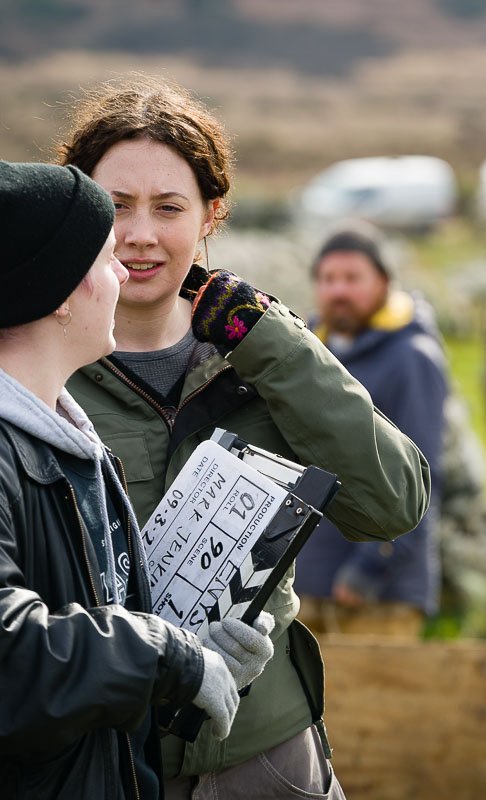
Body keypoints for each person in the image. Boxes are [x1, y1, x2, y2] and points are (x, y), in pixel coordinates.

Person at [59, 76, 430, 799]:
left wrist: (275, 346)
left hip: (264, 753)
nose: (139, 234)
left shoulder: (262, 357)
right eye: (114, 206)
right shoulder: (37, 371)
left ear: (211, 216)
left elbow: (390, 505)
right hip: (93, 761)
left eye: (169, 207)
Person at [0, 160, 273, 798]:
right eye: (103, 257)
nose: (124, 270)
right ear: (60, 293)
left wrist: (195, 651)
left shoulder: (71, 441)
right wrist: (168, 657)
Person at [294, 224, 448, 636]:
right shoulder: (308, 353)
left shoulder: (412, 358)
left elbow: (424, 475)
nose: (338, 291)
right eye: (328, 279)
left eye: (352, 278)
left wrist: (371, 566)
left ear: (384, 282)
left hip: (379, 595)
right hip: (308, 586)